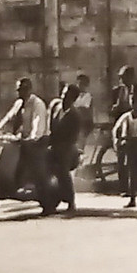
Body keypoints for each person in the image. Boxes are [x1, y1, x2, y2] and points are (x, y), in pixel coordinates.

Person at [0, 76, 52, 189]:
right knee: (6, 149)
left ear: (30, 90)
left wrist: (32, 138)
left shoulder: (37, 104)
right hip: (23, 138)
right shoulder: (19, 103)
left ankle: (32, 185)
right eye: (19, 90)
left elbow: (38, 123)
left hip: (38, 141)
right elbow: (8, 118)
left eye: (24, 90)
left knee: (29, 159)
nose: (21, 92)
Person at [48, 83, 83, 214]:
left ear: (72, 100)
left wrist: (57, 146)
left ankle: (71, 201)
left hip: (66, 148)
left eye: (67, 96)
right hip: (51, 144)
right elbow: (49, 125)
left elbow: (72, 139)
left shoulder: (75, 116)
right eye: (62, 94)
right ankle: (47, 199)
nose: (63, 98)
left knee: (62, 169)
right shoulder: (55, 107)